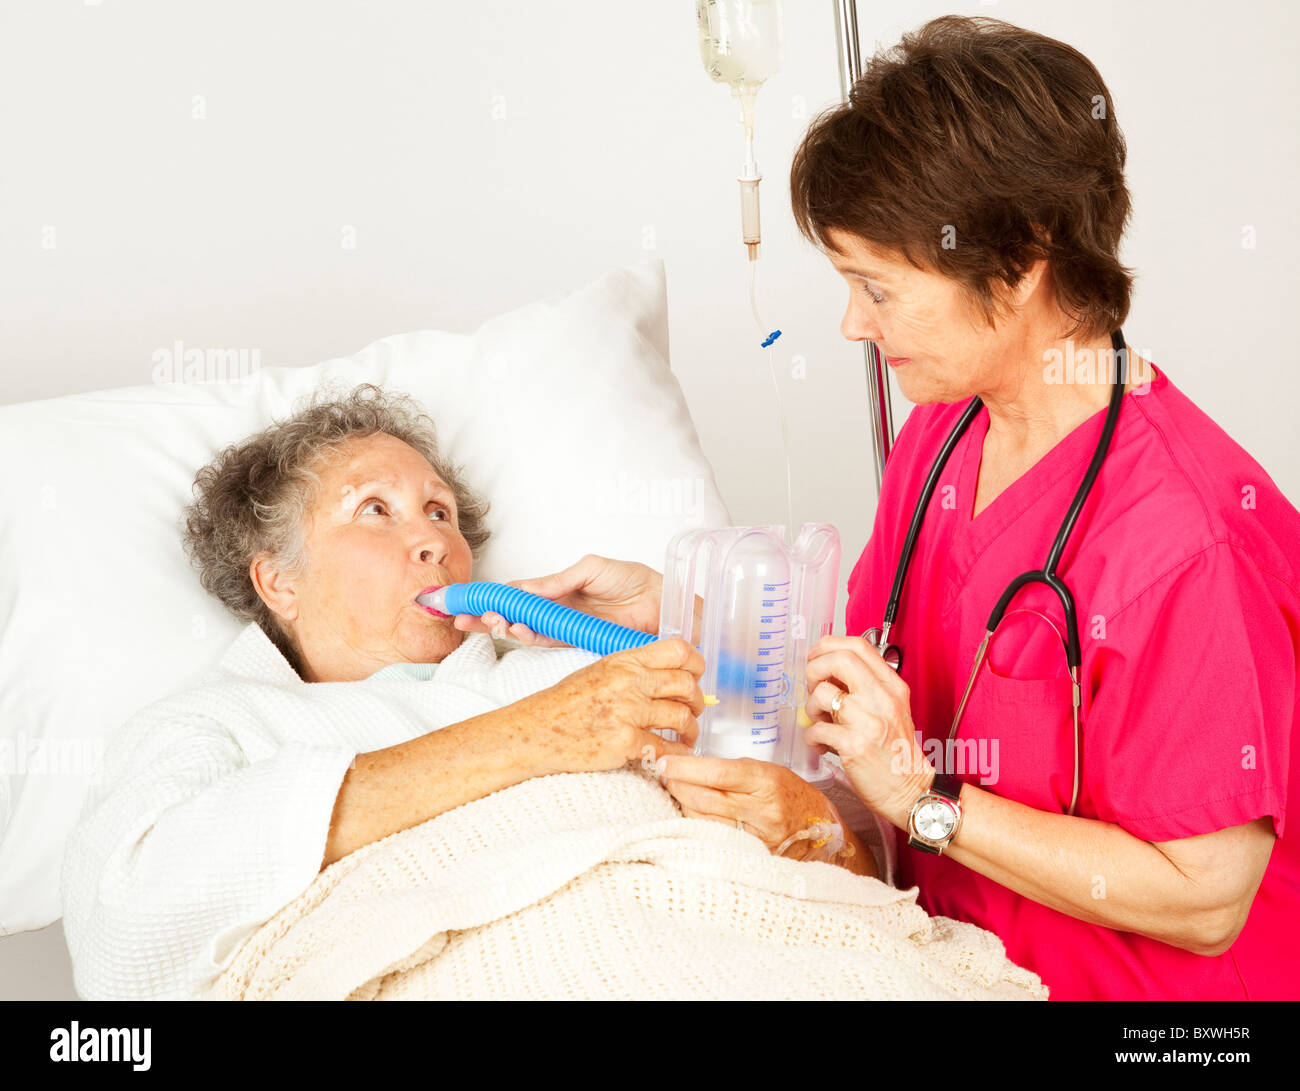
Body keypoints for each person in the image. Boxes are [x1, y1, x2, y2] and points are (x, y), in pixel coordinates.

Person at [466, 17, 1300, 1000]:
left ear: (1023, 257)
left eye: (878, 289)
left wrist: (921, 798)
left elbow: (1206, 898)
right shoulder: (946, 433)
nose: (852, 324)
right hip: (936, 952)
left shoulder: (1184, 538)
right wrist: (681, 608)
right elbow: (882, 674)